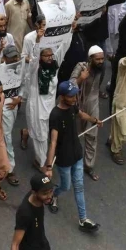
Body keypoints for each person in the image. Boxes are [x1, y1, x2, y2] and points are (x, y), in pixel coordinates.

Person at [44, 80, 101, 232]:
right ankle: (54, 195)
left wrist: (95, 120)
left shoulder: (72, 106)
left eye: (75, 95)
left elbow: (81, 114)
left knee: (79, 186)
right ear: (62, 96)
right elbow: (53, 142)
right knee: (65, 186)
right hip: (63, 159)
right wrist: (49, 166)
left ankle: (83, 219)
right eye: (71, 96)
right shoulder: (55, 115)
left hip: (77, 154)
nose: (75, 99)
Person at [24, 26, 71, 171]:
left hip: (50, 109)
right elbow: (33, 59)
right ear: (40, 57)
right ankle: (42, 163)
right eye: (46, 55)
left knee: (49, 136)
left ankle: (43, 157)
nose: (50, 57)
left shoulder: (54, 67)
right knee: (41, 137)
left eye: (51, 55)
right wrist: (38, 41)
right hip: (37, 109)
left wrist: (71, 30)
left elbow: (63, 47)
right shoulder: (35, 70)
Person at [69, 46, 104, 181]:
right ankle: (71, 163)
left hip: (93, 103)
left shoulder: (101, 68)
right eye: (98, 59)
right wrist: (81, 79)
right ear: (90, 59)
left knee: (92, 135)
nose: (101, 61)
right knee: (75, 135)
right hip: (78, 103)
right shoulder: (81, 67)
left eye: (102, 58)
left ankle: (88, 166)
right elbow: (70, 86)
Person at [10, 173, 54, 250]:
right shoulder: (25, 213)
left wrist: (48, 169)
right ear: (34, 192)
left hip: (43, 246)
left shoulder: (36, 193)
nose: (49, 196)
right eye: (45, 193)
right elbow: (15, 244)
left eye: (51, 191)